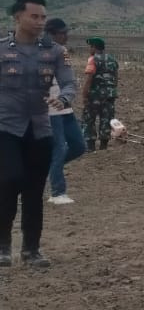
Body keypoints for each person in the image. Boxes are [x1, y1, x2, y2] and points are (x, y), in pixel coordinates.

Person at [1, 0, 76, 267]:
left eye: (43, 17)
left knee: (34, 190)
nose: (40, 22)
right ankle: (3, 246)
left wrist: (63, 99)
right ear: (18, 17)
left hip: (40, 129)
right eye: (34, 16)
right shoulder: (2, 49)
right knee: (9, 180)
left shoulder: (55, 51)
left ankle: (31, 250)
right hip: (6, 128)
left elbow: (69, 83)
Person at [45, 18, 87, 206]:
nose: (66, 36)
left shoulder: (61, 51)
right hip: (49, 109)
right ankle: (57, 192)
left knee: (78, 145)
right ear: (51, 34)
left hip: (64, 107)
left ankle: (49, 166)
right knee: (59, 148)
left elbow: (68, 81)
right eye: (63, 33)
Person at [80, 36, 119, 151]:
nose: (89, 49)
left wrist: (84, 95)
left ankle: (91, 146)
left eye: (90, 47)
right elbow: (115, 79)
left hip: (95, 95)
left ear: (94, 47)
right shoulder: (112, 60)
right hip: (109, 95)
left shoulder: (92, 59)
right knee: (106, 119)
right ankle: (103, 145)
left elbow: (89, 79)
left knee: (89, 119)